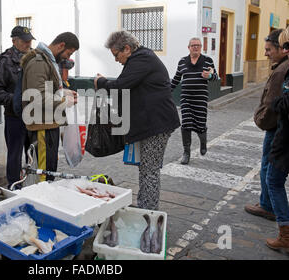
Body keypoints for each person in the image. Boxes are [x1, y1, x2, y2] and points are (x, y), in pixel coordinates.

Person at [95, 31, 180, 210]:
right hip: (151, 123)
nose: (116, 60)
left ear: (126, 48)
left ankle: (148, 213)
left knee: (150, 171)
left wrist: (101, 82)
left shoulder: (142, 59)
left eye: (116, 55)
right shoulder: (139, 58)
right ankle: (145, 206)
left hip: (157, 124)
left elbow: (120, 86)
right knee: (146, 169)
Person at [20, 32, 79, 182]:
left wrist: (63, 92)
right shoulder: (39, 62)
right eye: (68, 53)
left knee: (49, 171)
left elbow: (47, 90)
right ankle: (42, 202)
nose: (67, 58)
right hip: (42, 126)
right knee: (43, 175)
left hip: (48, 124)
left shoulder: (48, 60)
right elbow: (37, 97)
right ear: (61, 45)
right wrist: (65, 101)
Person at [244, 29, 289, 221]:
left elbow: (272, 105)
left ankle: (267, 206)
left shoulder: (281, 70)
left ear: (281, 49)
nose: (265, 53)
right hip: (279, 127)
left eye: (269, 49)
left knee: (268, 169)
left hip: (275, 128)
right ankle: (266, 203)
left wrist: (259, 119)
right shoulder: (285, 66)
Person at [265, 23, 289, 254]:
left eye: (288, 45)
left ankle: (286, 233)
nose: (285, 49)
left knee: (273, 181)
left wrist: (277, 103)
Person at [0, 26, 35, 189]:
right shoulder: (5, 61)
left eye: (30, 40)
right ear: (14, 41)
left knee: (33, 154)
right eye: (24, 41)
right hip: (15, 116)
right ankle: (14, 188)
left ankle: (33, 186)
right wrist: (16, 100)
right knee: (14, 156)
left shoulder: (35, 57)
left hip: (34, 116)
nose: (28, 43)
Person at [171, 37, 218, 165]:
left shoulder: (207, 61)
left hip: (201, 99)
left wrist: (210, 76)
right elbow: (176, 79)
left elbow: (216, 76)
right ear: (189, 47)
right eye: (193, 45)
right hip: (186, 98)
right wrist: (166, 91)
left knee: (200, 125)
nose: (195, 47)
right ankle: (186, 152)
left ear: (201, 47)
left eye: (198, 45)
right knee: (186, 124)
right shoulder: (182, 62)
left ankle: (203, 141)